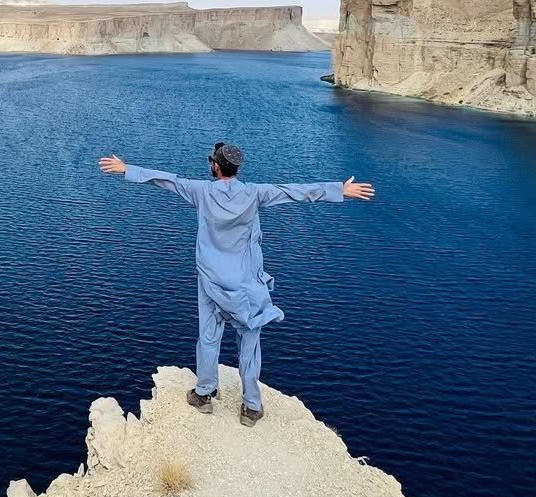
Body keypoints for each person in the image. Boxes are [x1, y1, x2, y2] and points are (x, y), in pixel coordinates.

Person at [98, 143, 374, 426]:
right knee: (250, 344)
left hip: (212, 282)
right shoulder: (254, 194)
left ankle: (204, 394)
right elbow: (294, 191)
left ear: (215, 167)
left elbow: (166, 179)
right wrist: (339, 189)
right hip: (246, 285)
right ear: (236, 168)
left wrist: (126, 169)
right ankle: (251, 407)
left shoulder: (201, 191)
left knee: (208, 337)